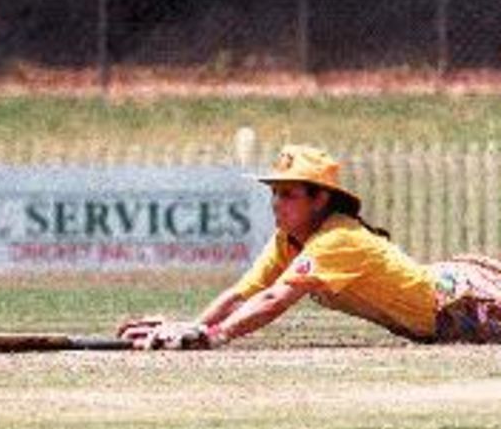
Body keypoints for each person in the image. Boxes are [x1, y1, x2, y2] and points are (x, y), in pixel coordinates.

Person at [120, 144, 501, 350]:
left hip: (462, 301)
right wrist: (194, 327)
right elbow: (242, 294)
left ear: (320, 200)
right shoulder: (289, 240)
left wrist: (216, 336)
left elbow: (274, 301)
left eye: (288, 194)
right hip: (437, 310)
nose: (275, 203)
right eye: (274, 193)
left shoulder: (338, 238)